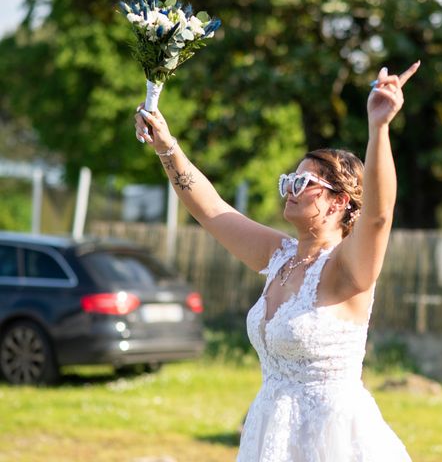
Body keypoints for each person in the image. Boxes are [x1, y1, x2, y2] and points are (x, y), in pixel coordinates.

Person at [135, 61, 420, 461]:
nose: (290, 189)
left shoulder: (347, 269)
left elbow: (377, 216)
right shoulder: (280, 255)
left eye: (303, 183)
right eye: (289, 180)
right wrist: (167, 145)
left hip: (332, 441)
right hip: (270, 433)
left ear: (338, 201)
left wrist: (379, 126)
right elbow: (211, 210)